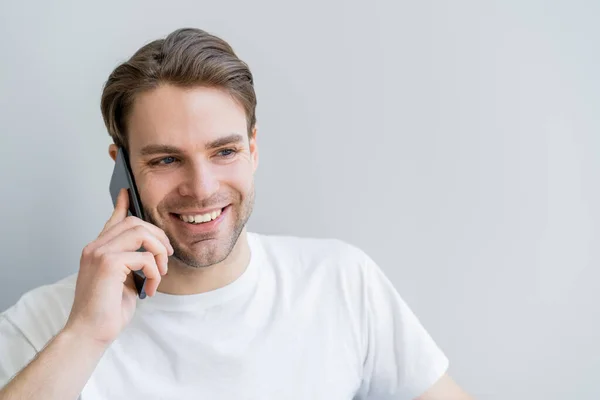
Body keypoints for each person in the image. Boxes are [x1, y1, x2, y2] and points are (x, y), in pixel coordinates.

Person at [0, 28, 472, 400]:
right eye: (165, 159)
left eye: (223, 152)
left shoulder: (341, 283)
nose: (202, 188)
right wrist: (85, 336)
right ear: (122, 168)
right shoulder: (44, 323)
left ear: (253, 150)